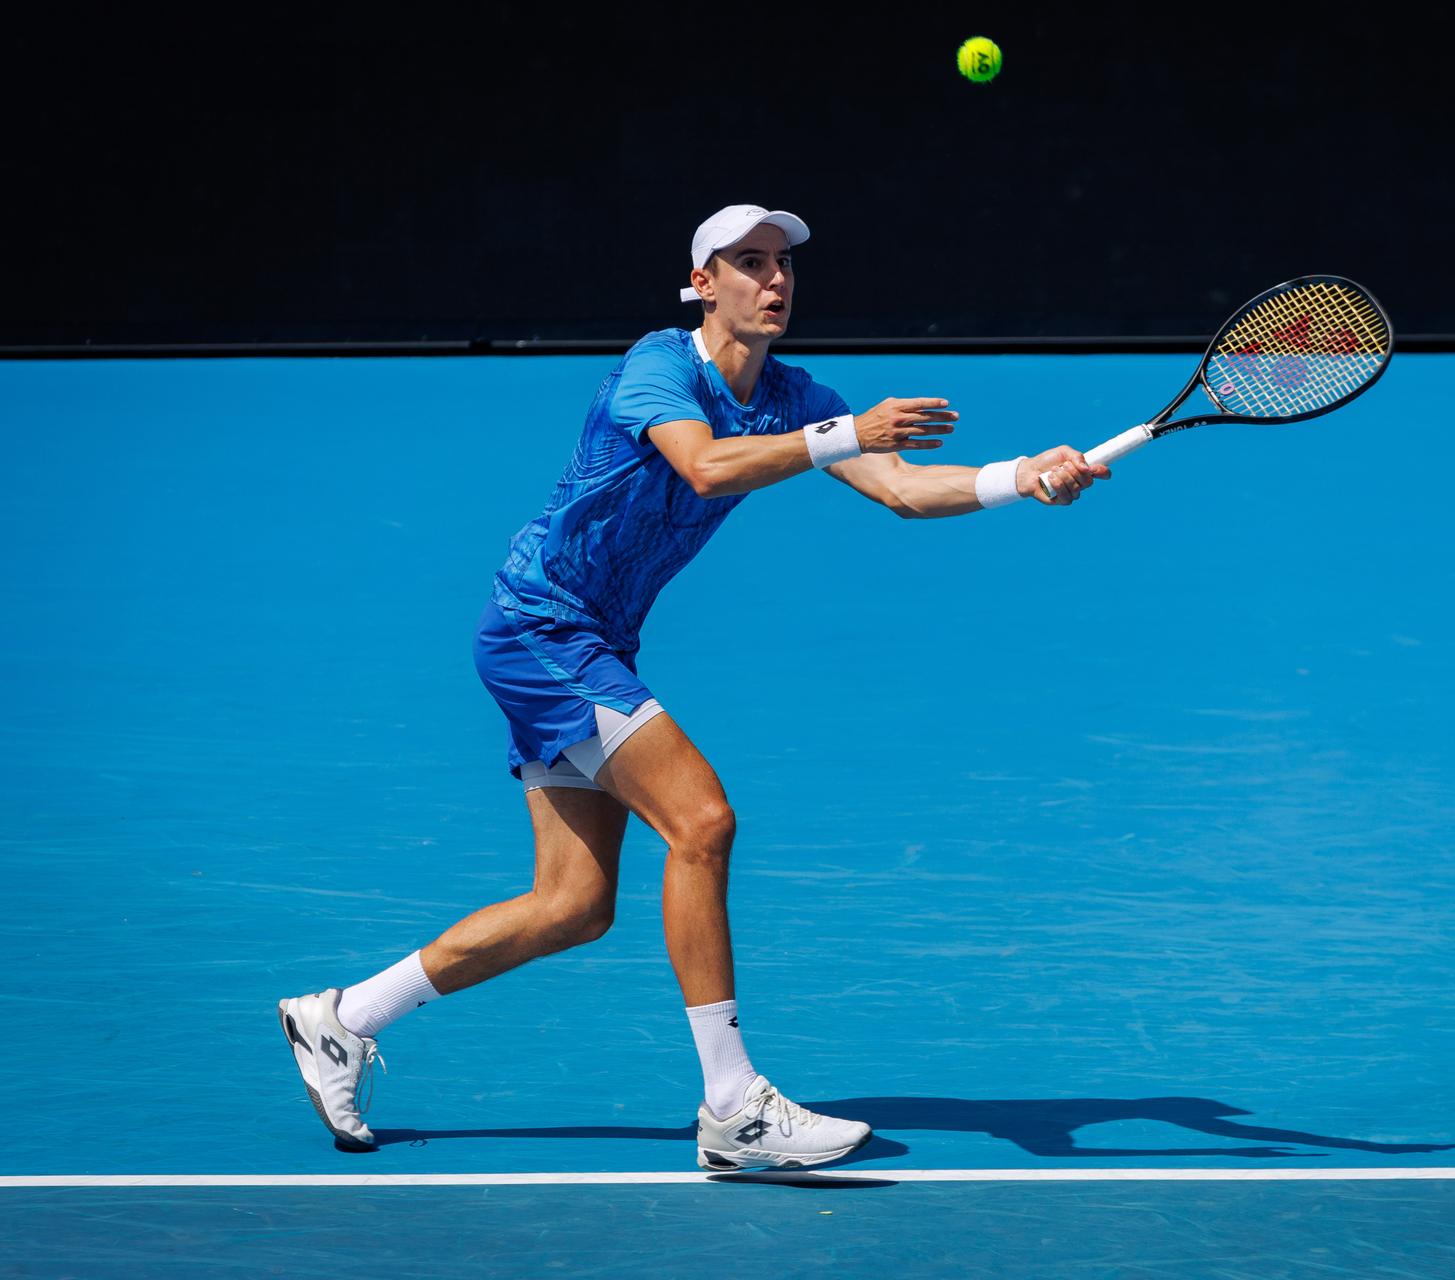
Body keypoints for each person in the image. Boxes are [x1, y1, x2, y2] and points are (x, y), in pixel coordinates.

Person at [277, 204, 1109, 1170]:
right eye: (747, 264)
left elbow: (904, 487)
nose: (775, 281)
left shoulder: (795, 392)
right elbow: (705, 467)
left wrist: (1022, 475)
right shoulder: (659, 368)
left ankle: (341, 1017)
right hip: (540, 630)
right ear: (703, 284)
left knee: (573, 905)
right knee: (702, 822)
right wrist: (842, 433)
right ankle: (733, 1107)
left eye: (784, 265)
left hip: (597, 643)